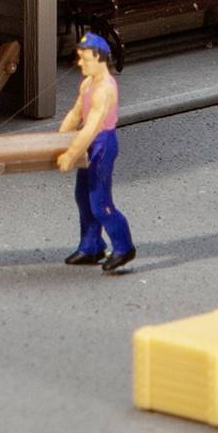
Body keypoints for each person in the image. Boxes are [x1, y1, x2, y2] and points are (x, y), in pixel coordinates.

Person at [56, 30, 134, 274]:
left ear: (100, 58)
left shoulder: (105, 90)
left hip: (102, 143)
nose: (80, 63)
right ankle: (91, 246)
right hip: (88, 142)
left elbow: (91, 127)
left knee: (100, 202)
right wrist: (57, 140)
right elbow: (75, 114)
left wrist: (69, 154)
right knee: (83, 196)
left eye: (85, 58)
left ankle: (123, 247)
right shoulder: (88, 84)